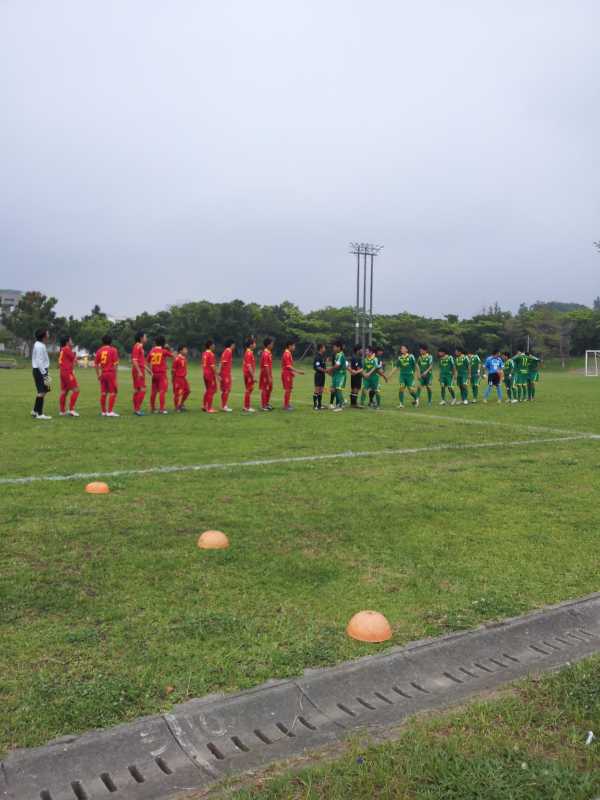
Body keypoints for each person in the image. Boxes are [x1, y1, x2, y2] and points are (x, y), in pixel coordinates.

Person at [147, 335, 174, 414]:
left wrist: (150, 370)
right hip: (162, 374)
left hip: (154, 374)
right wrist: (168, 348)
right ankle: (162, 409)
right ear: (163, 343)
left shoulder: (152, 350)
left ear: (155, 343)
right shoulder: (163, 351)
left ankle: (152, 408)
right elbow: (172, 355)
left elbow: (148, 361)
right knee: (162, 391)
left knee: (154, 391)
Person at [95, 334, 120, 417]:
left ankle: (103, 412)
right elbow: (116, 364)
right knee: (113, 392)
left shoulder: (99, 351)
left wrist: (98, 374)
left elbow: (96, 364)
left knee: (103, 393)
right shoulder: (113, 350)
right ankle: (110, 411)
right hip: (110, 373)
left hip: (103, 373)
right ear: (111, 341)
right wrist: (115, 374)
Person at [31, 328, 52, 420]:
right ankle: (39, 414)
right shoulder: (39, 346)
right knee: (42, 392)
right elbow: (39, 361)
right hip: (40, 371)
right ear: (43, 336)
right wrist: (44, 373)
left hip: (42, 370)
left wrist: (46, 372)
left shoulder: (40, 344)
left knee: (45, 390)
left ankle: (35, 410)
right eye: (47, 333)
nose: (48, 334)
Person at [58, 335, 80, 416]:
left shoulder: (62, 349)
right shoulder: (67, 349)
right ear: (67, 342)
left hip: (62, 372)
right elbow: (75, 360)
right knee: (76, 390)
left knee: (64, 391)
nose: (72, 341)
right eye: (71, 340)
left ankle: (62, 411)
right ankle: (71, 409)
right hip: (67, 372)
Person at [281, 341, 304, 410]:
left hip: (288, 373)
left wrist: (292, 373)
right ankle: (286, 405)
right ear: (289, 346)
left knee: (289, 389)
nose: (294, 347)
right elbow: (288, 366)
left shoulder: (288, 353)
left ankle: (287, 404)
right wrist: (298, 371)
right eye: (293, 345)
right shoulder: (287, 354)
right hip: (286, 374)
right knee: (288, 389)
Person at [131, 331, 149, 416]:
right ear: (141, 338)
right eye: (145, 337)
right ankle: (137, 410)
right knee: (142, 389)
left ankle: (136, 409)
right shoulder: (137, 346)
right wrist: (139, 371)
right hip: (138, 371)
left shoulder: (140, 347)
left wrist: (147, 369)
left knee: (137, 390)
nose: (146, 338)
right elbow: (134, 360)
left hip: (140, 369)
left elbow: (140, 361)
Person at [329, 340, 347, 411]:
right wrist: (331, 371)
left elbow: (337, 365)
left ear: (339, 347)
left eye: (334, 347)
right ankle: (340, 403)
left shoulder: (341, 354)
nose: (333, 348)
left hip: (341, 375)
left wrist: (329, 369)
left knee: (338, 389)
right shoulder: (337, 355)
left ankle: (341, 405)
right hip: (336, 374)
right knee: (334, 389)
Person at [172, 345, 190, 411]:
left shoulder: (184, 358)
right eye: (185, 349)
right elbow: (173, 370)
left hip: (183, 378)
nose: (186, 351)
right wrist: (173, 379)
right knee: (178, 393)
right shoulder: (177, 359)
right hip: (178, 378)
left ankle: (181, 404)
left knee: (187, 391)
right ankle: (176, 407)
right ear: (180, 351)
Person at [202, 340, 218, 413]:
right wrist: (217, 375)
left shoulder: (204, 353)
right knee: (211, 391)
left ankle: (204, 405)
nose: (214, 346)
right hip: (210, 375)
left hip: (205, 374)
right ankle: (209, 408)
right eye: (213, 345)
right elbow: (212, 366)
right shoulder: (211, 354)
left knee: (208, 390)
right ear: (210, 346)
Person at [259, 337, 274, 411]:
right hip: (265, 374)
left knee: (269, 388)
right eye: (271, 344)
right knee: (265, 389)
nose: (272, 345)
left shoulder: (269, 353)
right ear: (268, 345)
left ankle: (267, 403)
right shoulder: (265, 353)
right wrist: (268, 377)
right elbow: (266, 366)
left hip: (268, 374)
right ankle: (263, 405)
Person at [219, 339, 234, 412]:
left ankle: (223, 405)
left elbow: (221, 362)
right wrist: (219, 373)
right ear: (231, 344)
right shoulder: (228, 351)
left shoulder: (226, 351)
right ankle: (224, 406)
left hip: (225, 373)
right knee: (227, 390)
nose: (234, 346)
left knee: (225, 390)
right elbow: (222, 362)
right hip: (225, 373)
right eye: (234, 344)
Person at [242, 337, 257, 413]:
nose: (255, 344)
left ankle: (246, 406)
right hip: (248, 374)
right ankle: (247, 407)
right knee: (249, 389)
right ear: (251, 345)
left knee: (249, 389)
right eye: (254, 343)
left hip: (247, 373)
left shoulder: (249, 352)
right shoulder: (249, 353)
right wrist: (253, 376)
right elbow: (249, 366)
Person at [312, 343, 327, 410]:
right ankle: (315, 405)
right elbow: (317, 367)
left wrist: (325, 371)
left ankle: (319, 405)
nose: (325, 349)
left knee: (321, 390)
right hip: (318, 375)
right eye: (324, 347)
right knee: (317, 390)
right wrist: (325, 370)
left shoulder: (322, 356)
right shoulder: (317, 357)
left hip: (322, 375)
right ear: (321, 348)